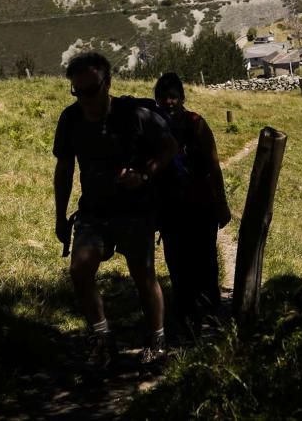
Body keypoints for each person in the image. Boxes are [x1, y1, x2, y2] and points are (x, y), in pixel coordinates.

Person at [53, 52, 177, 369]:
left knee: (143, 276)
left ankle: (157, 341)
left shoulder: (134, 114)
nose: (84, 98)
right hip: (93, 213)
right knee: (80, 270)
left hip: (136, 211)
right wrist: (60, 216)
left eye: (90, 90)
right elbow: (64, 169)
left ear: (108, 83)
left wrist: (145, 175)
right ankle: (102, 338)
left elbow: (169, 147)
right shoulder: (70, 120)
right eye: (77, 91)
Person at [154, 72, 231, 337]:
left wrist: (221, 203)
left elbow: (213, 164)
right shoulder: (152, 128)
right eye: (164, 97)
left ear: (182, 98)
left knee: (205, 258)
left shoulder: (196, 123)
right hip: (170, 208)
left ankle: (209, 311)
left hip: (201, 205)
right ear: (157, 100)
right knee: (177, 262)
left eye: (173, 96)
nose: (169, 102)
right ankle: (185, 314)